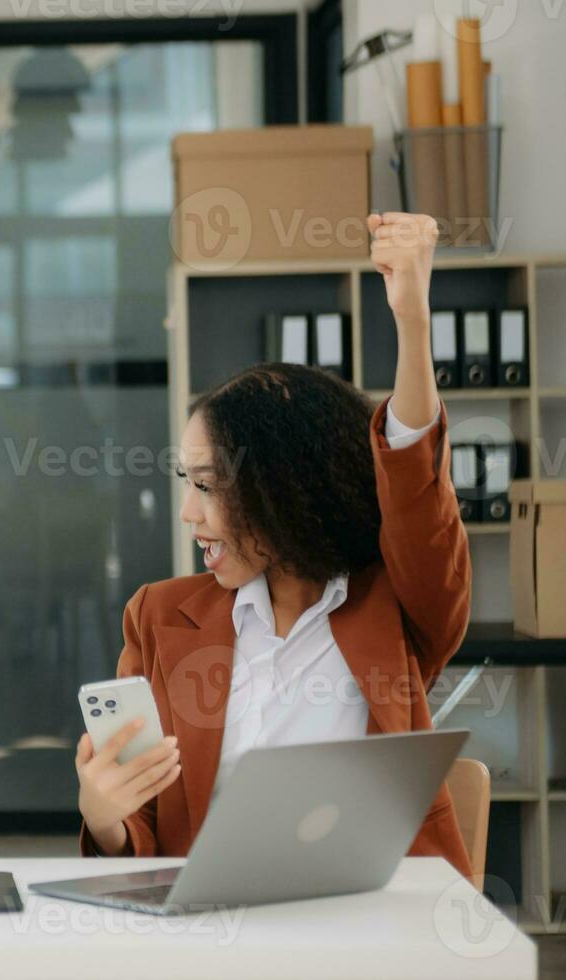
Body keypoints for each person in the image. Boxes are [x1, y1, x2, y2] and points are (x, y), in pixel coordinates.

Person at [74, 212, 472, 877]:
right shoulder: (160, 617)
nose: (186, 513)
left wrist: (412, 320)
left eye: (207, 486)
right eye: (186, 484)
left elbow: (415, 493)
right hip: (212, 935)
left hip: (366, 928)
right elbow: (138, 842)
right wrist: (103, 815)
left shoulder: (396, 607)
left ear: (282, 488)